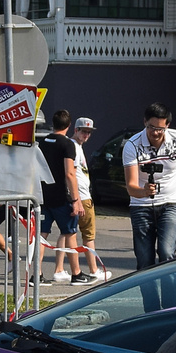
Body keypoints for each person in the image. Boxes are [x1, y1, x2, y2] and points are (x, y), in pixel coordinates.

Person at [122, 103, 176, 287]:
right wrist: (144, 191)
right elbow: (130, 186)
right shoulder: (132, 144)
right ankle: (151, 309)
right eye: (151, 128)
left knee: (167, 252)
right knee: (144, 260)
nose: (155, 133)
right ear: (144, 122)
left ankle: (169, 307)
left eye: (160, 129)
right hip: (141, 204)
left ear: (167, 125)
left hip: (171, 201)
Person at [38, 109, 92, 284]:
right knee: (70, 233)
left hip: (44, 195)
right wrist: (76, 201)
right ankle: (76, 273)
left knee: (41, 236)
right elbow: (70, 173)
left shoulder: (43, 142)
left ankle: (36, 274)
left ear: (53, 124)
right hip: (62, 197)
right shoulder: (67, 144)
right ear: (69, 126)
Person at [71, 118, 107, 279]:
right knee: (88, 235)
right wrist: (76, 198)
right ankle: (93, 269)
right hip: (82, 197)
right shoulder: (74, 147)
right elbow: (71, 173)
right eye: (83, 131)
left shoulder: (77, 146)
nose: (86, 135)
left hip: (80, 195)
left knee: (68, 234)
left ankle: (59, 269)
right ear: (75, 130)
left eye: (89, 132)